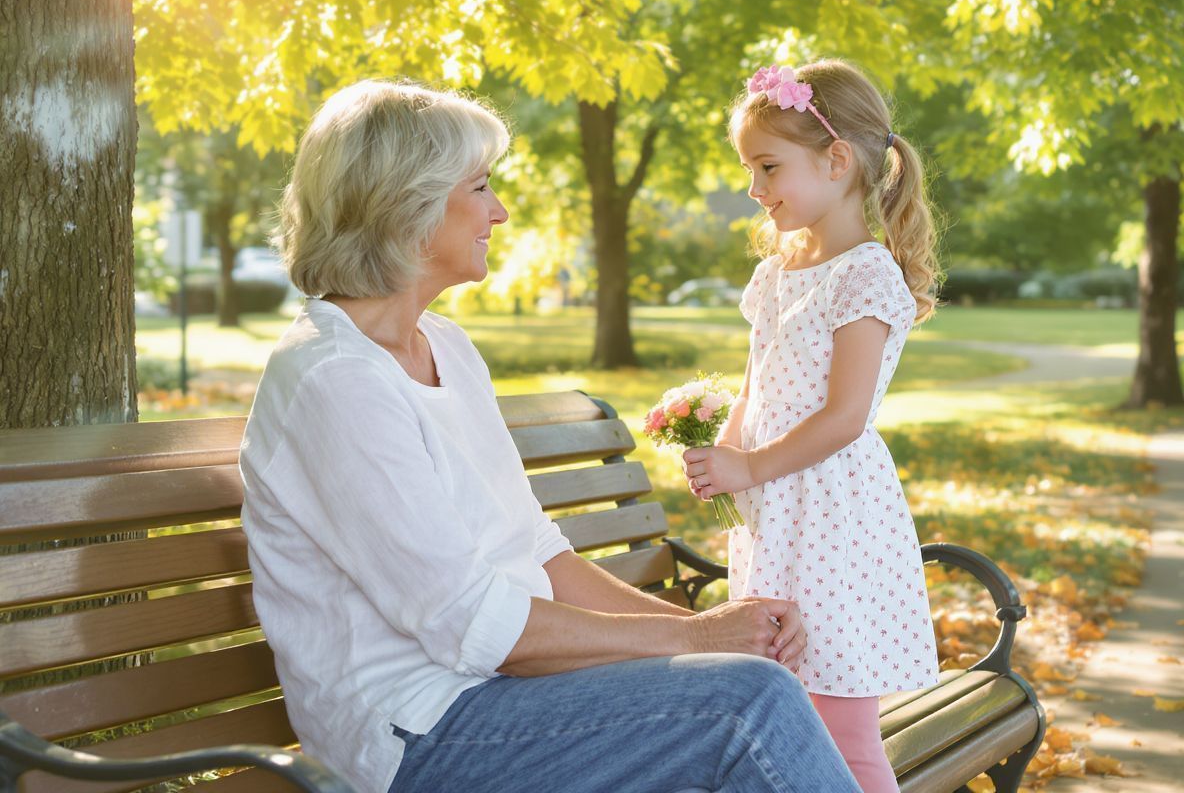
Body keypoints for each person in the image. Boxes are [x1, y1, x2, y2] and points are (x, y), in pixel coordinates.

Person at [238, 79, 861, 793]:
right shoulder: (334, 383)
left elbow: (538, 551)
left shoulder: (444, 347)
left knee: (743, 688)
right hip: (419, 734)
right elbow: (471, 626)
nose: (499, 212)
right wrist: (693, 640)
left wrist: (712, 633)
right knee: (747, 708)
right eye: (480, 187)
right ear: (405, 204)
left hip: (504, 700)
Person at [681, 60, 942, 792]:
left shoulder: (865, 275)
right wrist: (726, 449)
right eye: (748, 170)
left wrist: (753, 466)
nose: (755, 189)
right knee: (782, 708)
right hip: (774, 516)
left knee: (845, 732)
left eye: (768, 167)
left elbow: (844, 417)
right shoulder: (775, 274)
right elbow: (755, 385)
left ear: (836, 160)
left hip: (831, 515)